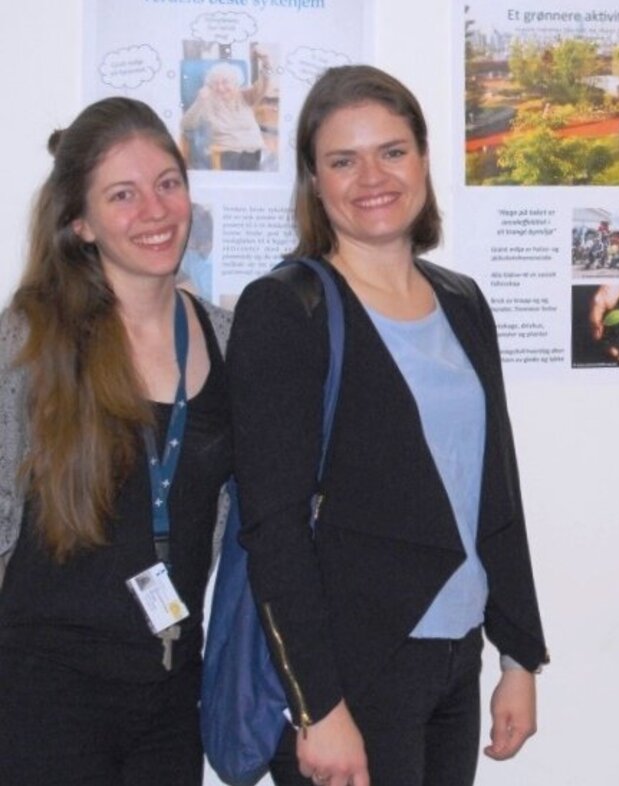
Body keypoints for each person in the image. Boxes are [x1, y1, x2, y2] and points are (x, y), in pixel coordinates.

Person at [227, 65, 548, 786]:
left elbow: (494, 489)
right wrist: (319, 706)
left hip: (455, 658)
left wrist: (518, 656)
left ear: (424, 160)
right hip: (354, 668)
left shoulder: (461, 302)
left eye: (392, 151)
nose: (372, 176)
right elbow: (272, 526)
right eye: (344, 160)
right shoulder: (287, 309)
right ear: (315, 181)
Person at [0, 97, 232, 783]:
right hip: (42, 695)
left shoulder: (230, 338)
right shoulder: (29, 342)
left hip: (169, 691)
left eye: (168, 184)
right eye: (122, 195)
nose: (156, 212)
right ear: (81, 222)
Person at [181, 57, 270, 171]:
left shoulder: (245, 96)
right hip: (226, 154)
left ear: (235, 83)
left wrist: (266, 62)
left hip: (255, 151)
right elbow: (186, 125)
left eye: (225, 82)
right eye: (215, 84)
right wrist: (199, 101)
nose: (220, 88)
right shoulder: (207, 101)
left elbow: (263, 85)